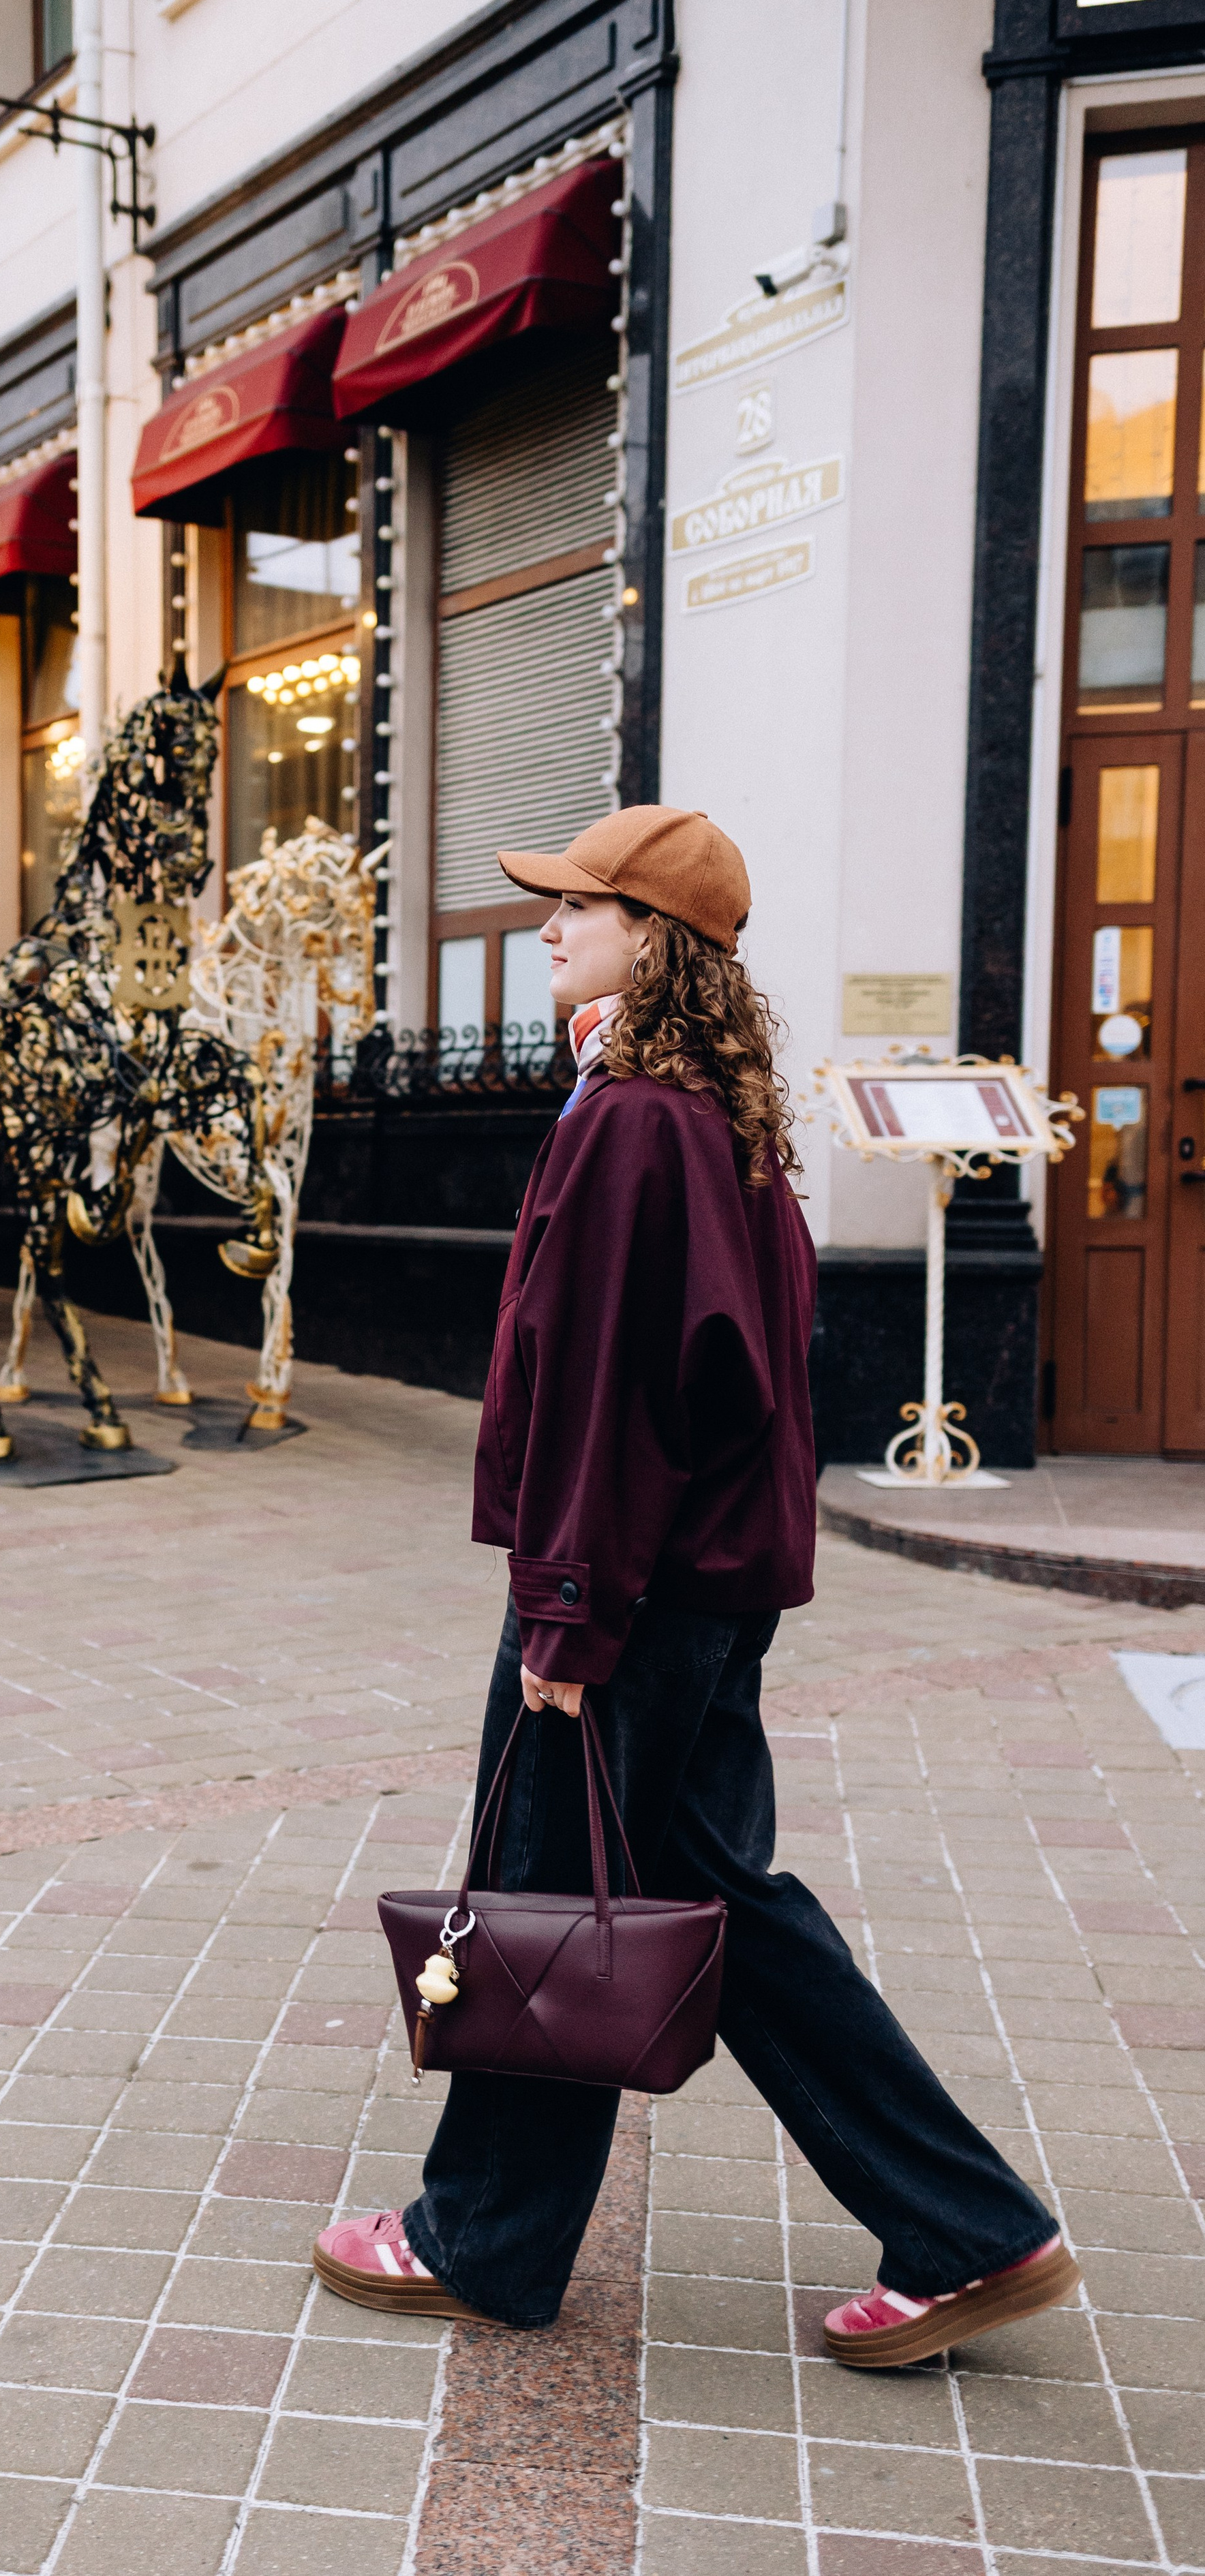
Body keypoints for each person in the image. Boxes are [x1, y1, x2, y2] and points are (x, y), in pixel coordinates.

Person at [313, 806, 1080, 2369]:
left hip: (633, 1596)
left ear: (653, 939)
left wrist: (567, 1615)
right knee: (720, 1911)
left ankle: (482, 2238)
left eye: (576, 908)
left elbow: (614, 1392)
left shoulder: (630, 1123)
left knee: (545, 1886)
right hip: (702, 1588)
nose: (544, 927)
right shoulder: (707, 1116)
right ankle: (970, 2229)